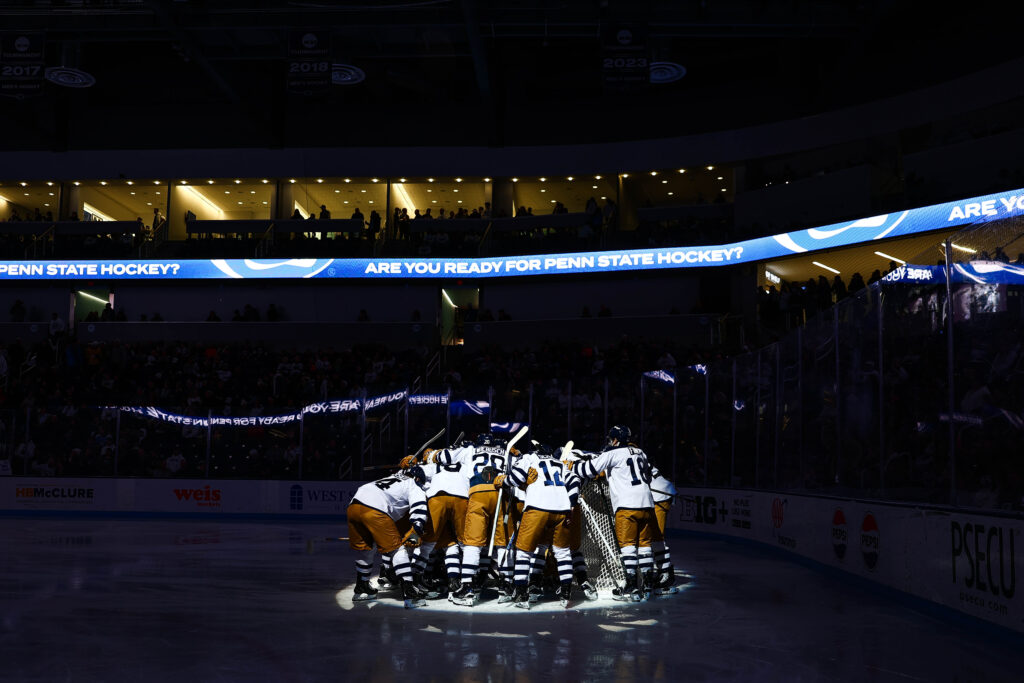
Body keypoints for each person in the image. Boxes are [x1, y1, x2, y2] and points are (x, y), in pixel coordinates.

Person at [574, 425, 668, 600]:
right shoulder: (640, 452)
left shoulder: (612, 454)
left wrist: (571, 465)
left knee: (628, 548)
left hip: (627, 505)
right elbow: (647, 475)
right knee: (645, 546)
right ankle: (647, 587)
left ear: (615, 440)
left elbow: (587, 470)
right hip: (647, 504)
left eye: (611, 439)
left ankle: (631, 587)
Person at [505, 441, 581, 609]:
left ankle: (521, 594)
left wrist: (503, 480)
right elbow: (575, 480)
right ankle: (566, 593)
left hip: (537, 507)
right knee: (562, 553)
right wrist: (571, 503)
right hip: (562, 509)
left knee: (524, 552)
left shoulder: (529, 458)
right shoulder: (559, 463)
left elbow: (514, 479)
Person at [346, 467, 430, 607]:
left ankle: (362, 587)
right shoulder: (413, 484)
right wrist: (416, 529)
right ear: (417, 478)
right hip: (375, 509)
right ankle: (409, 592)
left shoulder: (391, 477)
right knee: (397, 550)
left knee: (366, 549)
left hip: (353, 505)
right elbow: (420, 507)